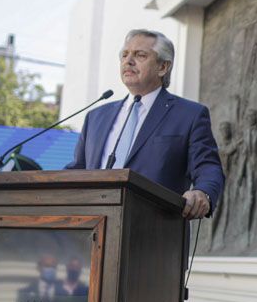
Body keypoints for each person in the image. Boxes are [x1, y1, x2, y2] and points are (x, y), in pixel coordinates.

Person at [66, 29, 224, 220]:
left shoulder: (189, 115)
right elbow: (78, 170)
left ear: (163, 67)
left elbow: (207, 166)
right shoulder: (96, 117)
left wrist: (203, 193)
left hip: (155, 227)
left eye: (140, 55)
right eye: (124, 55)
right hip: (93, 226)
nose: (128, 61)